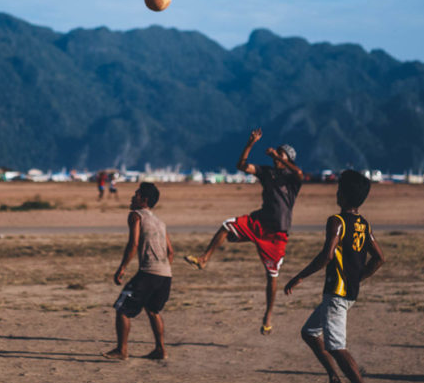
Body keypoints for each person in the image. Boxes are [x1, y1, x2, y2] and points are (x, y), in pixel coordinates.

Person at [284, 170, 385, 383]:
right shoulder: (364, 224)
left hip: (336, 294)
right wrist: (357, 278)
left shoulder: (337, 222)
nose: (336, 192)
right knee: (309, 333)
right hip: (348, 292)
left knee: (337, 346)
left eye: (339, 189)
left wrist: (299, 276)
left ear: (345, 195)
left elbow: (327, 255)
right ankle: (335, 379)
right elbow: (379, 258)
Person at [185, 128, 303, 335]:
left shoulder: (292, 179)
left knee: (272, 275)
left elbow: (299, 172)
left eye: (281, 154)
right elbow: (241, 165)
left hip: (278, 233)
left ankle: (268, 315)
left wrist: (279, 158)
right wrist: (250, 144)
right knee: (226, 225)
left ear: (288, 159)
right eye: (276, 153)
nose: (276, 155)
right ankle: (204, 258)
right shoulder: (267, 172)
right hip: (259, 222)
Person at [104, 182, 174, 360]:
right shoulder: (160, 221)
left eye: (136, 194)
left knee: (122, 308)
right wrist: (163, 268)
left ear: (144, 200)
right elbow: (171, 252)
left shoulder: (136, 215)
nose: (131, 197)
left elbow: (133, 244)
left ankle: (122, 350)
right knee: (153, 311)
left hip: (149, 272)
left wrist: (122, 268)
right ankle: (160, 349)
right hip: (165, 274)